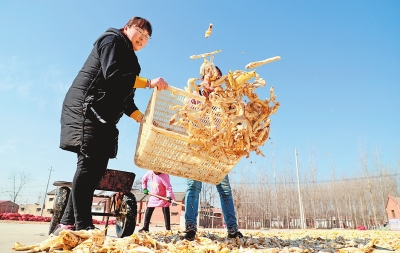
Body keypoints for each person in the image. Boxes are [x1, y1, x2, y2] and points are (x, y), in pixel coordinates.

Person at [53, 16, 168, 235]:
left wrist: (140, 118)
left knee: (96, 169)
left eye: (146, 38)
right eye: (140, 33)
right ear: (127, 28)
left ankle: (66, 224)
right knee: (88, 166)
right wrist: (148, 82)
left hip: (103, 116)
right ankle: (83, 226)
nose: (142, 39)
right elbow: (114, 77)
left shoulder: (132, 61)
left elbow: (125, 97)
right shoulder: (112, 40)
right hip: (86, 108)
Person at [184, 66, 243, 241]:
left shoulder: (224, 101)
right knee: (193, 188)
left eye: (216, 77)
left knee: (224, 189)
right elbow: (187, 116)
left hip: (218, 151)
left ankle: (232, 229)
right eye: (208, 77)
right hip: (197, 149)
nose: (212, 81)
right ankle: (190, 228)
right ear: (202, 79)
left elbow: (234, 119)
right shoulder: (194, 97)